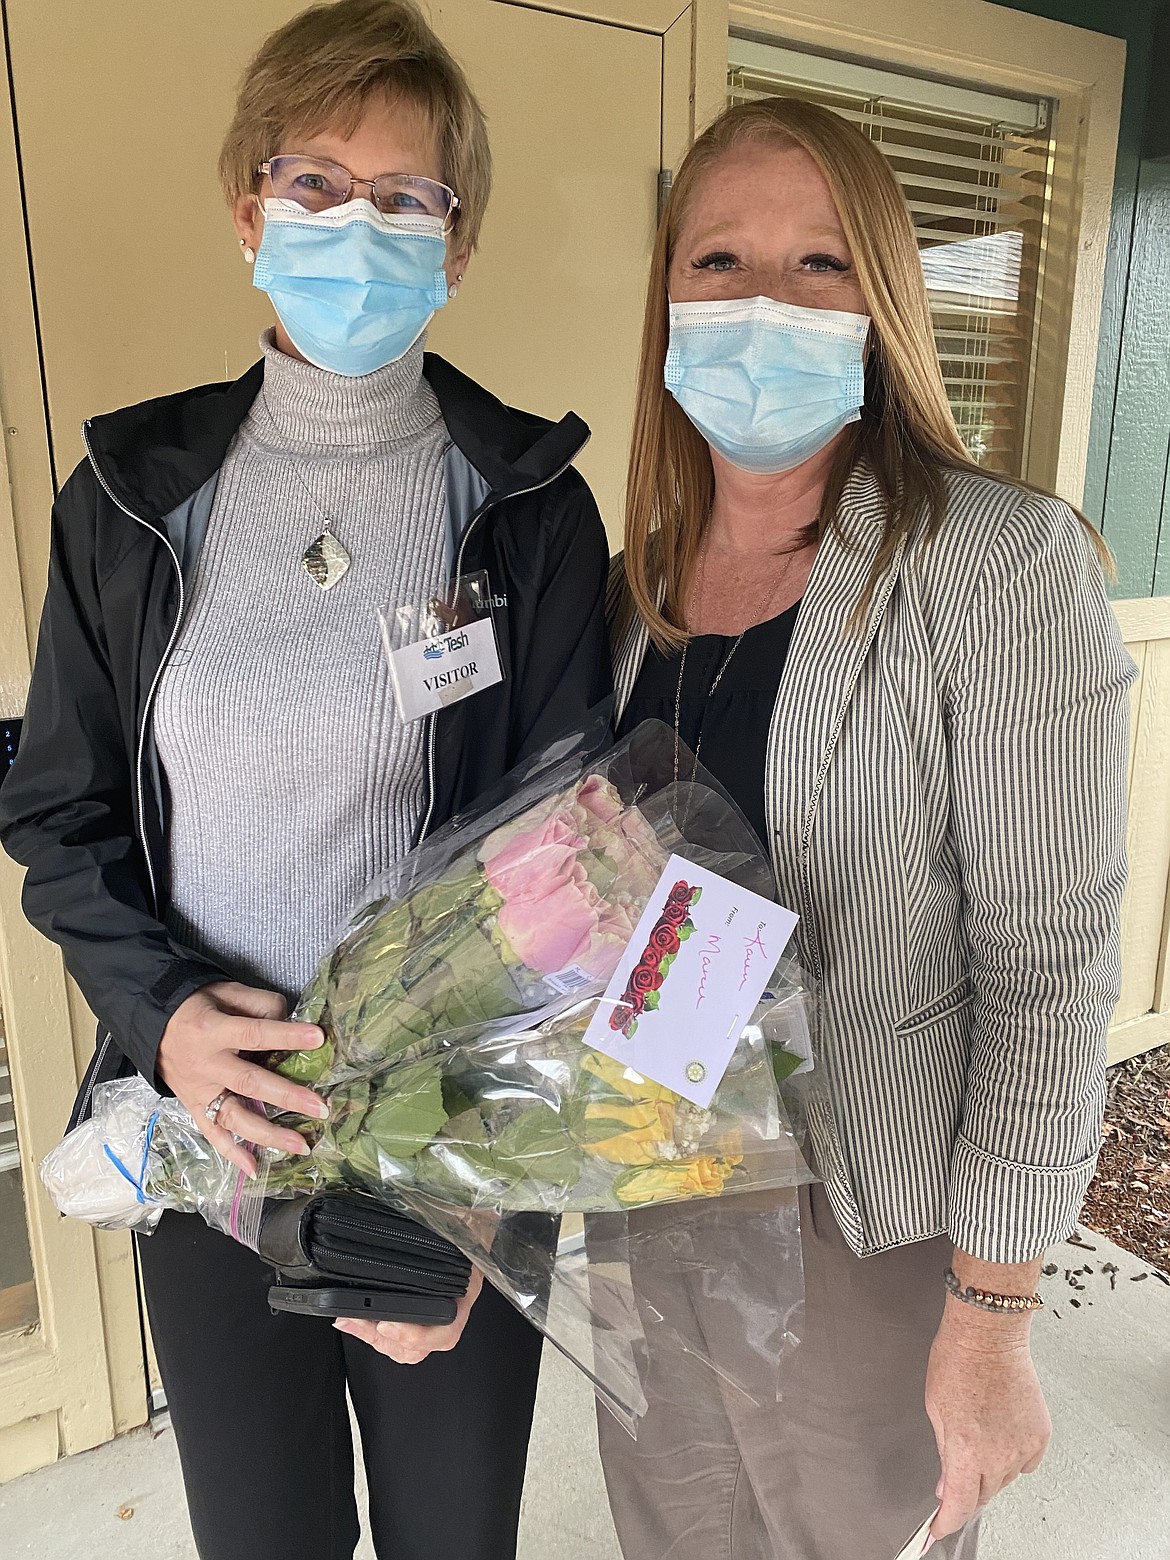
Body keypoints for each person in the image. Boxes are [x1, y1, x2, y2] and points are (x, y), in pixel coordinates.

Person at [0, 3, 610, 1557]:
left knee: (449, 1532)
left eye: (409, 198)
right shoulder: (134, 503)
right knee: (260, 1536)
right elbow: (62, 817)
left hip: (443, 1140)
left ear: (457, 244)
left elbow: (568, 855)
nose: (359, 226)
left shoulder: (525, 506)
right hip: (207, 1135)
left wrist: (489, 1176)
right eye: (318, 182)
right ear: (246, 209)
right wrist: (166, 1018)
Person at [603, 95, 1135, 1560]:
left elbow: (1043, 970)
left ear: (883, 299)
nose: (760, 302)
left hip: (863, 1218)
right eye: (719, 262)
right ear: (665, 297)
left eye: (817, 265)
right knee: (676, 1533)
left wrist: (992, 1315)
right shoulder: (625, 590)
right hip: (645, 1179)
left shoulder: (996, 567)